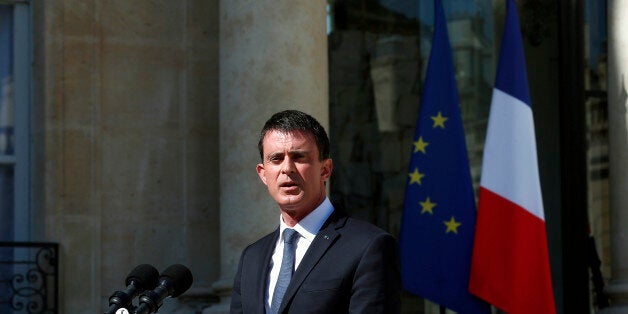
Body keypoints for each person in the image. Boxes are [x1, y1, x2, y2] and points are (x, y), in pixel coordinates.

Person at [230, 110, 401, 313]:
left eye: (299, 157)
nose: (287, 168)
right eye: (276, 159)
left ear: (325, 169)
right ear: (263, 174)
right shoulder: (252, 257)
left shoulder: (368, 247)